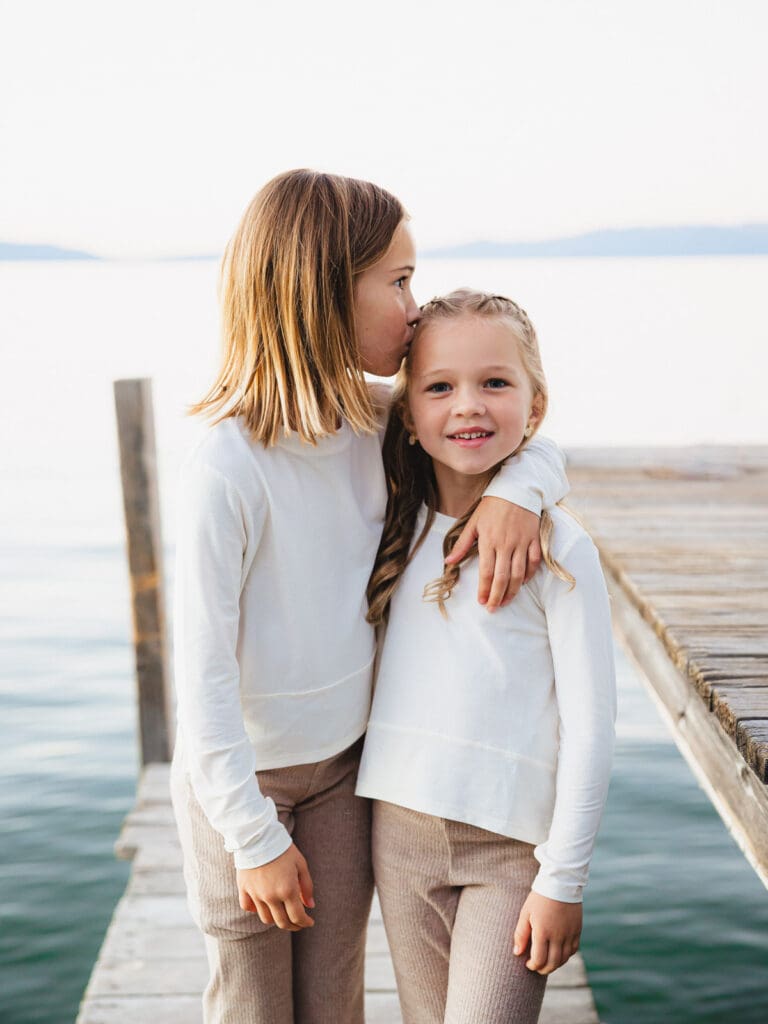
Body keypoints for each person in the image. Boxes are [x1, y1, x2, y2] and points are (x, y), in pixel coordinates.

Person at [169, 172, 570, 1024]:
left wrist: (520, 491)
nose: (416, 308)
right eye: (398, 282)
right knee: (253, 1004)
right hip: (243, 788)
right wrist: (252, 837)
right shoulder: (228, 468)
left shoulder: (376, 421)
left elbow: (512, 431)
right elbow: (199, 682)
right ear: (322, 292)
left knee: (334, 1000)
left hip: (346, 775)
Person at [358, 288, 617, 1024]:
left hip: (510, 851)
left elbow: (592, 727)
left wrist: (562, 880)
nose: (468, 405)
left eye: (495, 383)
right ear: (408, 413)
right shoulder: (387, 517)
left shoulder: (559, 550)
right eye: (440, 387)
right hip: (399, 838)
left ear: (535, 407)